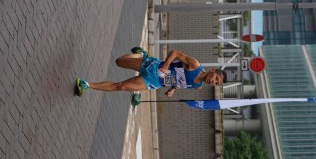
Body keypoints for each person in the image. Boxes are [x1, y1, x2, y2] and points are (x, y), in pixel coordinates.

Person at [75, 47, 226, 97]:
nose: (213, 82)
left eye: (216, 83)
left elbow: (181, 79)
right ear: (213, 70)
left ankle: (86, 84)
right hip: (154, 68)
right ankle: (142, 55)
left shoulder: (197, 86)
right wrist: (165, 66)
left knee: (122, 86)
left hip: (154, 82)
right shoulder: (195, 65)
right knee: (119, 61)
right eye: (216, 78)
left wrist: (173, 89)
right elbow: (174, 52)